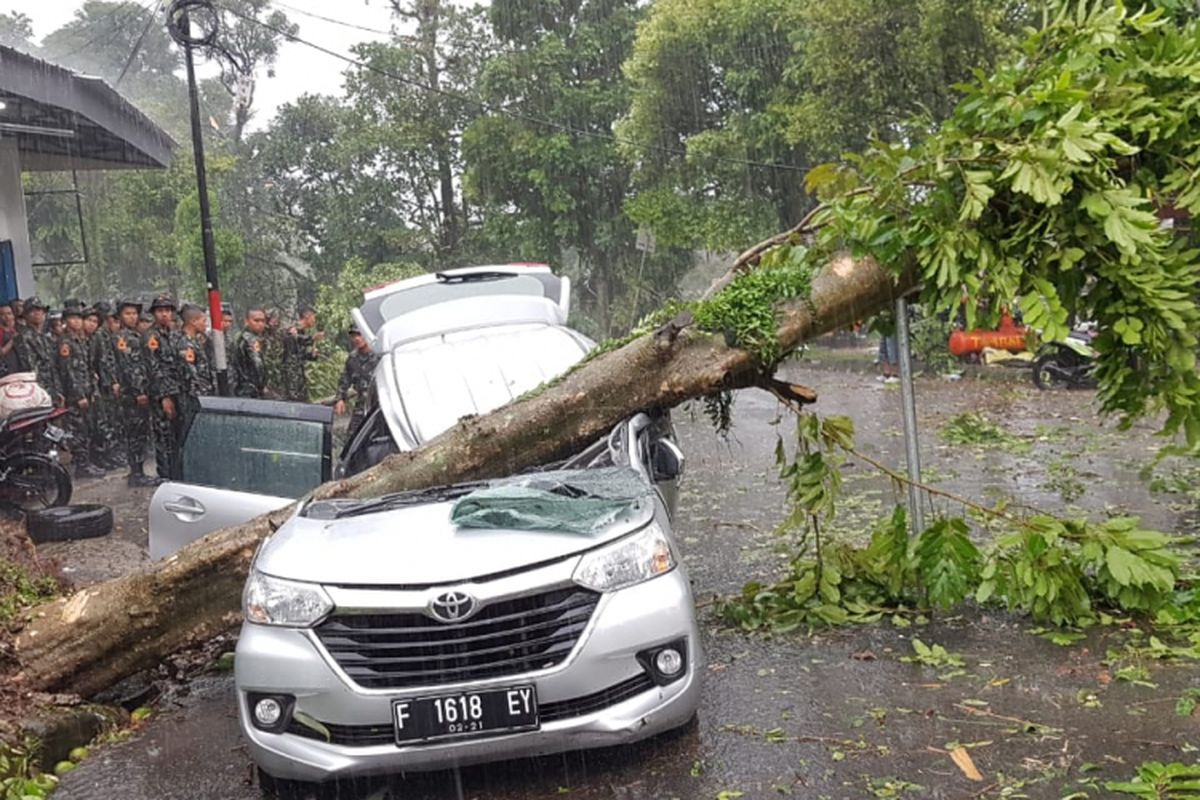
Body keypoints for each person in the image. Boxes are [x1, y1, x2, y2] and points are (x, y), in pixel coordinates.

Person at [56, 300, 104, 479]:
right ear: (66, 320)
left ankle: (87, 463)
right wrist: (78, 395)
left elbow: (87, 368)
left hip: (87, 390)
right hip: (76, 394)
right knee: (78, 429)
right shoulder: (65, 342)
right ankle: (82, 466)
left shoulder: (82, 340)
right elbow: (67, 372)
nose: (76, 321)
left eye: (79, 318)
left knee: (86, 428)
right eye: (72, 318)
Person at [113, 299, 155, 487]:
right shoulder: (123, 337)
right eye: (127, 314)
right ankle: (136, 473)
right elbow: (129, 367)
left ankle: (138, 471)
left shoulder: (134, 335)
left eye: (134, 313)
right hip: (132, 394)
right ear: (120, 316)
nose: (132, 317)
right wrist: (139, 391)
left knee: (140, 432)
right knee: (136, 433)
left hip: (138, 390)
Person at [144, 295, 186, 480]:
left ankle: (177, 472)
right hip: (162, 393)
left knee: (177, 434)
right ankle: (165, 475)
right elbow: (153, 369)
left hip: (178, 390)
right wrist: (164, 397)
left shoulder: (174, 333)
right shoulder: (150, 336)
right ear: (154, 314)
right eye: (160, 311)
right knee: (163, 435)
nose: (165, 314)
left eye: (168, 311)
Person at [87, 303, 123, 470]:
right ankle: (103, 455)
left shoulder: (105, 334)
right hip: (102, 385)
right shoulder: (98, 335)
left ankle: (110, 454)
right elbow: (95, 361)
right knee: (102, 421)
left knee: (109, 420)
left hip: (107, 383)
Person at [335, 325, 380, 442]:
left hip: (380, 405)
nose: (356, 339)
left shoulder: (378, 355)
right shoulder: (353, 358)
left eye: (359, 335)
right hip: (361, 405)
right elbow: (344, 380)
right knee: (351, 439)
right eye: (353, 336)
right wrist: (340, 399)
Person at [15, 298, 61, 406]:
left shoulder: (44, 338)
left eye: (41, 311)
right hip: (38, 393)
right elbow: (30, 369)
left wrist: (57, 390)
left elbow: (52, 366)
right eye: (33, 311)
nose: (38, 313)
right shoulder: (23, 337)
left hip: (53, 389)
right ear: (25, 315)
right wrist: (45, 393)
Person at [178, 304, 216, 429]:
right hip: (195, 397)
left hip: (204, 394)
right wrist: (201, 397)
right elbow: (191, 374)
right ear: (193, 322)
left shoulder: (197, 341)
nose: (205, 324)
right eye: (203, 321)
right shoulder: (185, 343)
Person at [281, 305, 322, 402]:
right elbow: (292, 344)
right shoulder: (292, 329)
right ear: (307, 316)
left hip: (298, 374)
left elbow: (300, 353)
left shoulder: (302, 332)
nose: (314, 320)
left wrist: (312, 354)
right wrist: (312, 339)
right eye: (313, 317)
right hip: (291, 375)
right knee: (293, 401)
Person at [234, 306, 269, 398]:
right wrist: (262, 386)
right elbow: (258, 364)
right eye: (256, 321)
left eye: (263, 321)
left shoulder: (243, 337)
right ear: (247, 321)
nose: (260, 324)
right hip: (251, 389)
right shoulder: (250, 339)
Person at [0, 304, 19, 376]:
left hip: (16, 367)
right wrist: (12, 340)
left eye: (9, 313)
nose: (7, 317)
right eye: (2, 314)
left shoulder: (13, 330)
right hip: (4, 370)